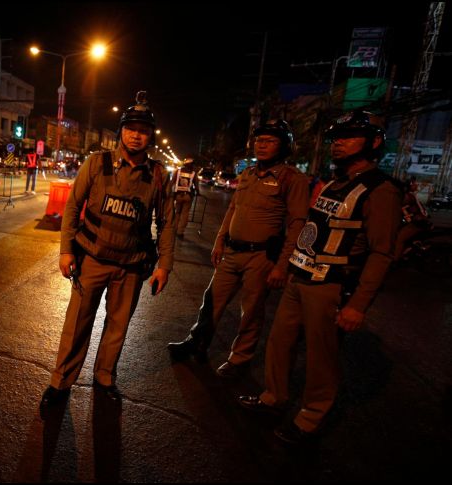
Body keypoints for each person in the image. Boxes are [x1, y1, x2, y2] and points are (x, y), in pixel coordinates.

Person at [238, 110, 402, 445]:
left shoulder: (380, 190)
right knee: (279, 343)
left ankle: (311, 418)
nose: (338, 144)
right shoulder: (333, 183)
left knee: (320, 357)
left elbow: (382, 253)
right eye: (336, 138)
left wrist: (357, 305)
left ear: (373, 143)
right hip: (300, 278)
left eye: (349, 137)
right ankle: (273, 398)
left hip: (330, 285)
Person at [39, 91, 175, 411]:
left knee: (117, 327)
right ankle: (60, 383)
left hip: (130, 267)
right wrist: (65, 251)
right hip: (91, 260)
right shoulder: (97, 163)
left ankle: (104, 378)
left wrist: (164, 265)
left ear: (150, 136)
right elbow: (72, 208)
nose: (136, 135)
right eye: (131, 128)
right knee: (77, 326)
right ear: (121, 131)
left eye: (143, 130)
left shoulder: (157, 175)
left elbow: (167, 223)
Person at [167, 120, 309, 378]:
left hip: (262, 256)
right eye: (259, 140)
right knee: (211, 301)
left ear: (284, 146)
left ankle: (240, 358)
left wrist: (281, 265)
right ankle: (197, 342)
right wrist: (220, 240)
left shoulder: (292, 179)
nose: (262, 145)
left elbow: (298, 224)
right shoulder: (248, 174)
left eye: (270, 141)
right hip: (232, 252)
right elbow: (233, 210)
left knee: (251, 311)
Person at [394, 177, 433, 261]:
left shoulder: (407, 197)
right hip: (418, 221)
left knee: (399, 239)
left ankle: (394, 260)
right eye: (414, 183)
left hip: (417, 223)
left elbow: (395, 206)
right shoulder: (411, 195)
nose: (417, 185)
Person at [172, 158, 199, 239]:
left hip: (178, 195)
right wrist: (198, 192)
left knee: (177, 213)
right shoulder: (193, 173)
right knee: (185, 214)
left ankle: (174, 229)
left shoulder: (178, 171)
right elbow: (196, 185)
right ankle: (180, 232)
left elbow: (172, 181)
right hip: (188, 196)